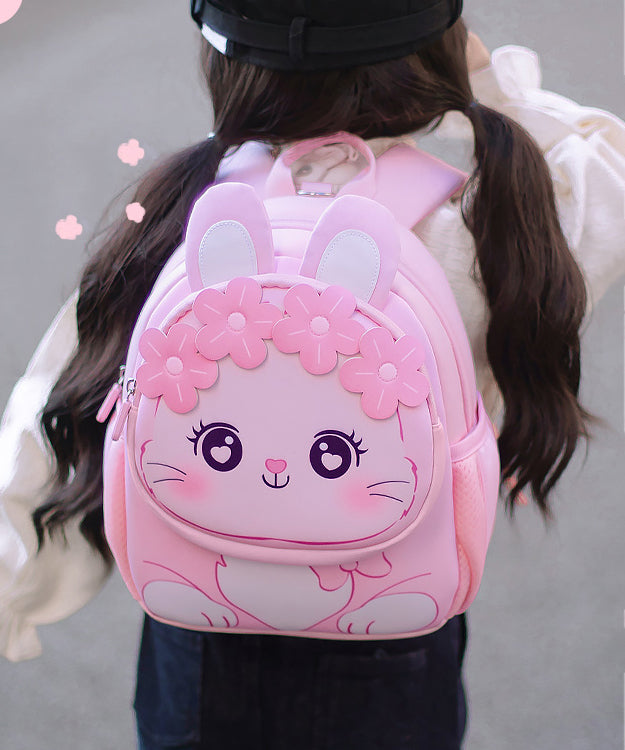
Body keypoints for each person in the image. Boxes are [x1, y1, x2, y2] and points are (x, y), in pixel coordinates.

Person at [1, 1, 624, 748]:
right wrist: (490, 86)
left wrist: (17, 592)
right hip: (392, 615)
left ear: (226, 62)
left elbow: (54, 402)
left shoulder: (185, 213)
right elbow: (600, 161)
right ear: (440, 48)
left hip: (198, 611)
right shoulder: (489, 224)